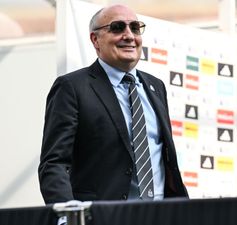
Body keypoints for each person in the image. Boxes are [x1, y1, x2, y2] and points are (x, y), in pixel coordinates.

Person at [38, 4, 188, 204]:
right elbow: (54, 163)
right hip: (104, 216)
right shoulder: (72, 87)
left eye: (135, 28)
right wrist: (68, 215)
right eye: (117, 27)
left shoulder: (155, 86)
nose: (129, 35)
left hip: (161, 214)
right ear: (95, 40)